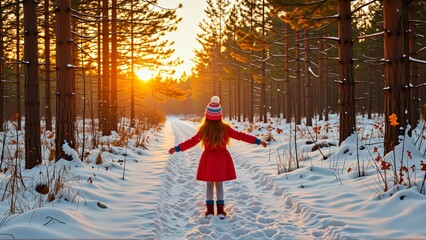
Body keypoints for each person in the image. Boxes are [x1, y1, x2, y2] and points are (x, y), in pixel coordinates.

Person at [168, 96, 267, 219]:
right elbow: (241, 136)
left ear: (207, 115)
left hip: (208, 159)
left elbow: (191, 142)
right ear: (220, 115)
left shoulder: (204, 129)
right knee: (219, 184)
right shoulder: (225, 128)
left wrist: (176, 148)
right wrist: (258, 141)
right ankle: (220, 211)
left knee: (209, 185)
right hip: (222, 159)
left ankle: (209, 211)